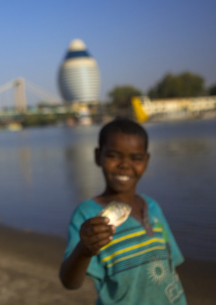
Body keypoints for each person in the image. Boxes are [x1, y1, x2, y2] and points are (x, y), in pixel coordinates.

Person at [59, 118, 187, 304]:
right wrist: (84, 250)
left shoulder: (152, 207)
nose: (125, 165)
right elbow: (69, 282)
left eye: (136, 158)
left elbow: (169, 264)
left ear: (146, 160)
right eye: (113, 155)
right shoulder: (87, 214)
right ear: (97, 156)